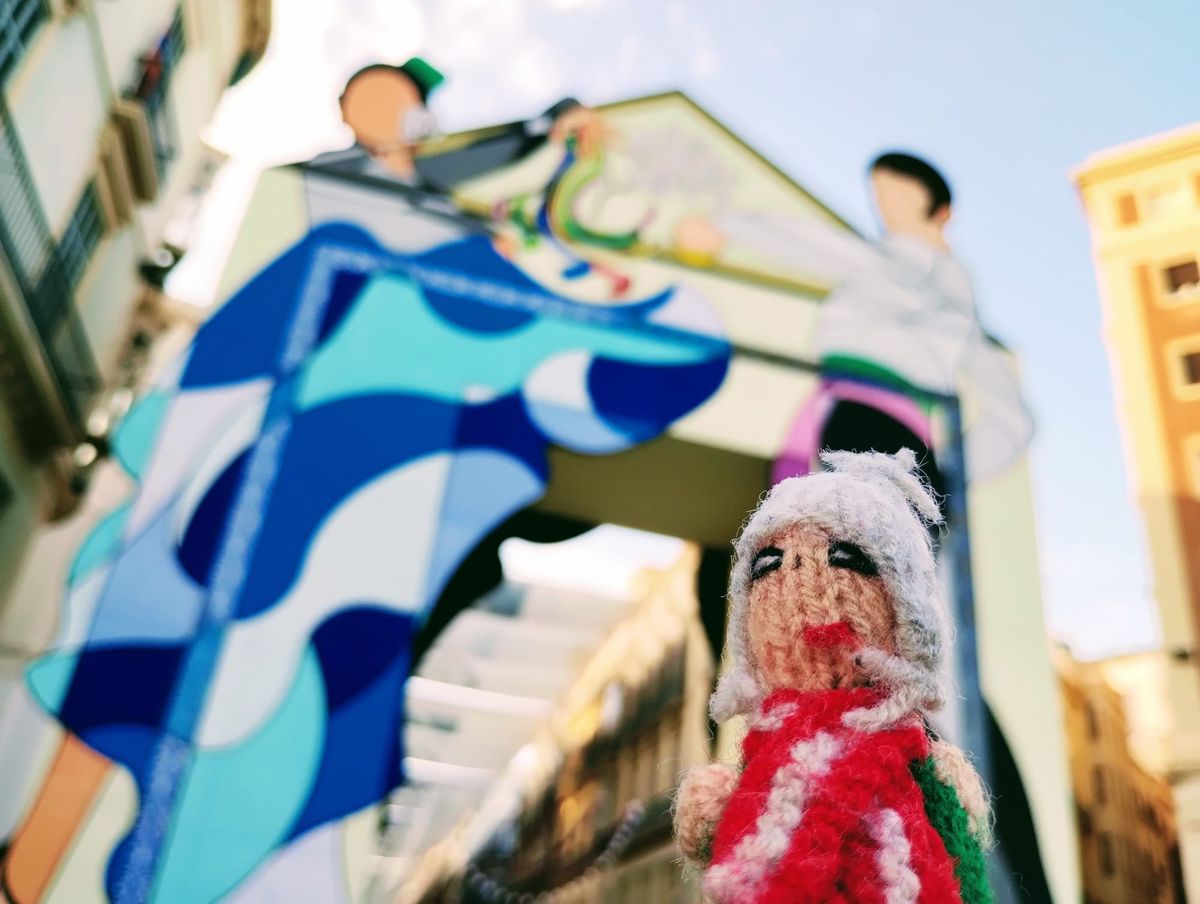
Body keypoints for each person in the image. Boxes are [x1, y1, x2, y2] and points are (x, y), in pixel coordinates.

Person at [307, 57, 605, 193]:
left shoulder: (441, 169)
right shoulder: (328, 172)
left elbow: (513, 145)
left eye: (405, 101)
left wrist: (562, 114)